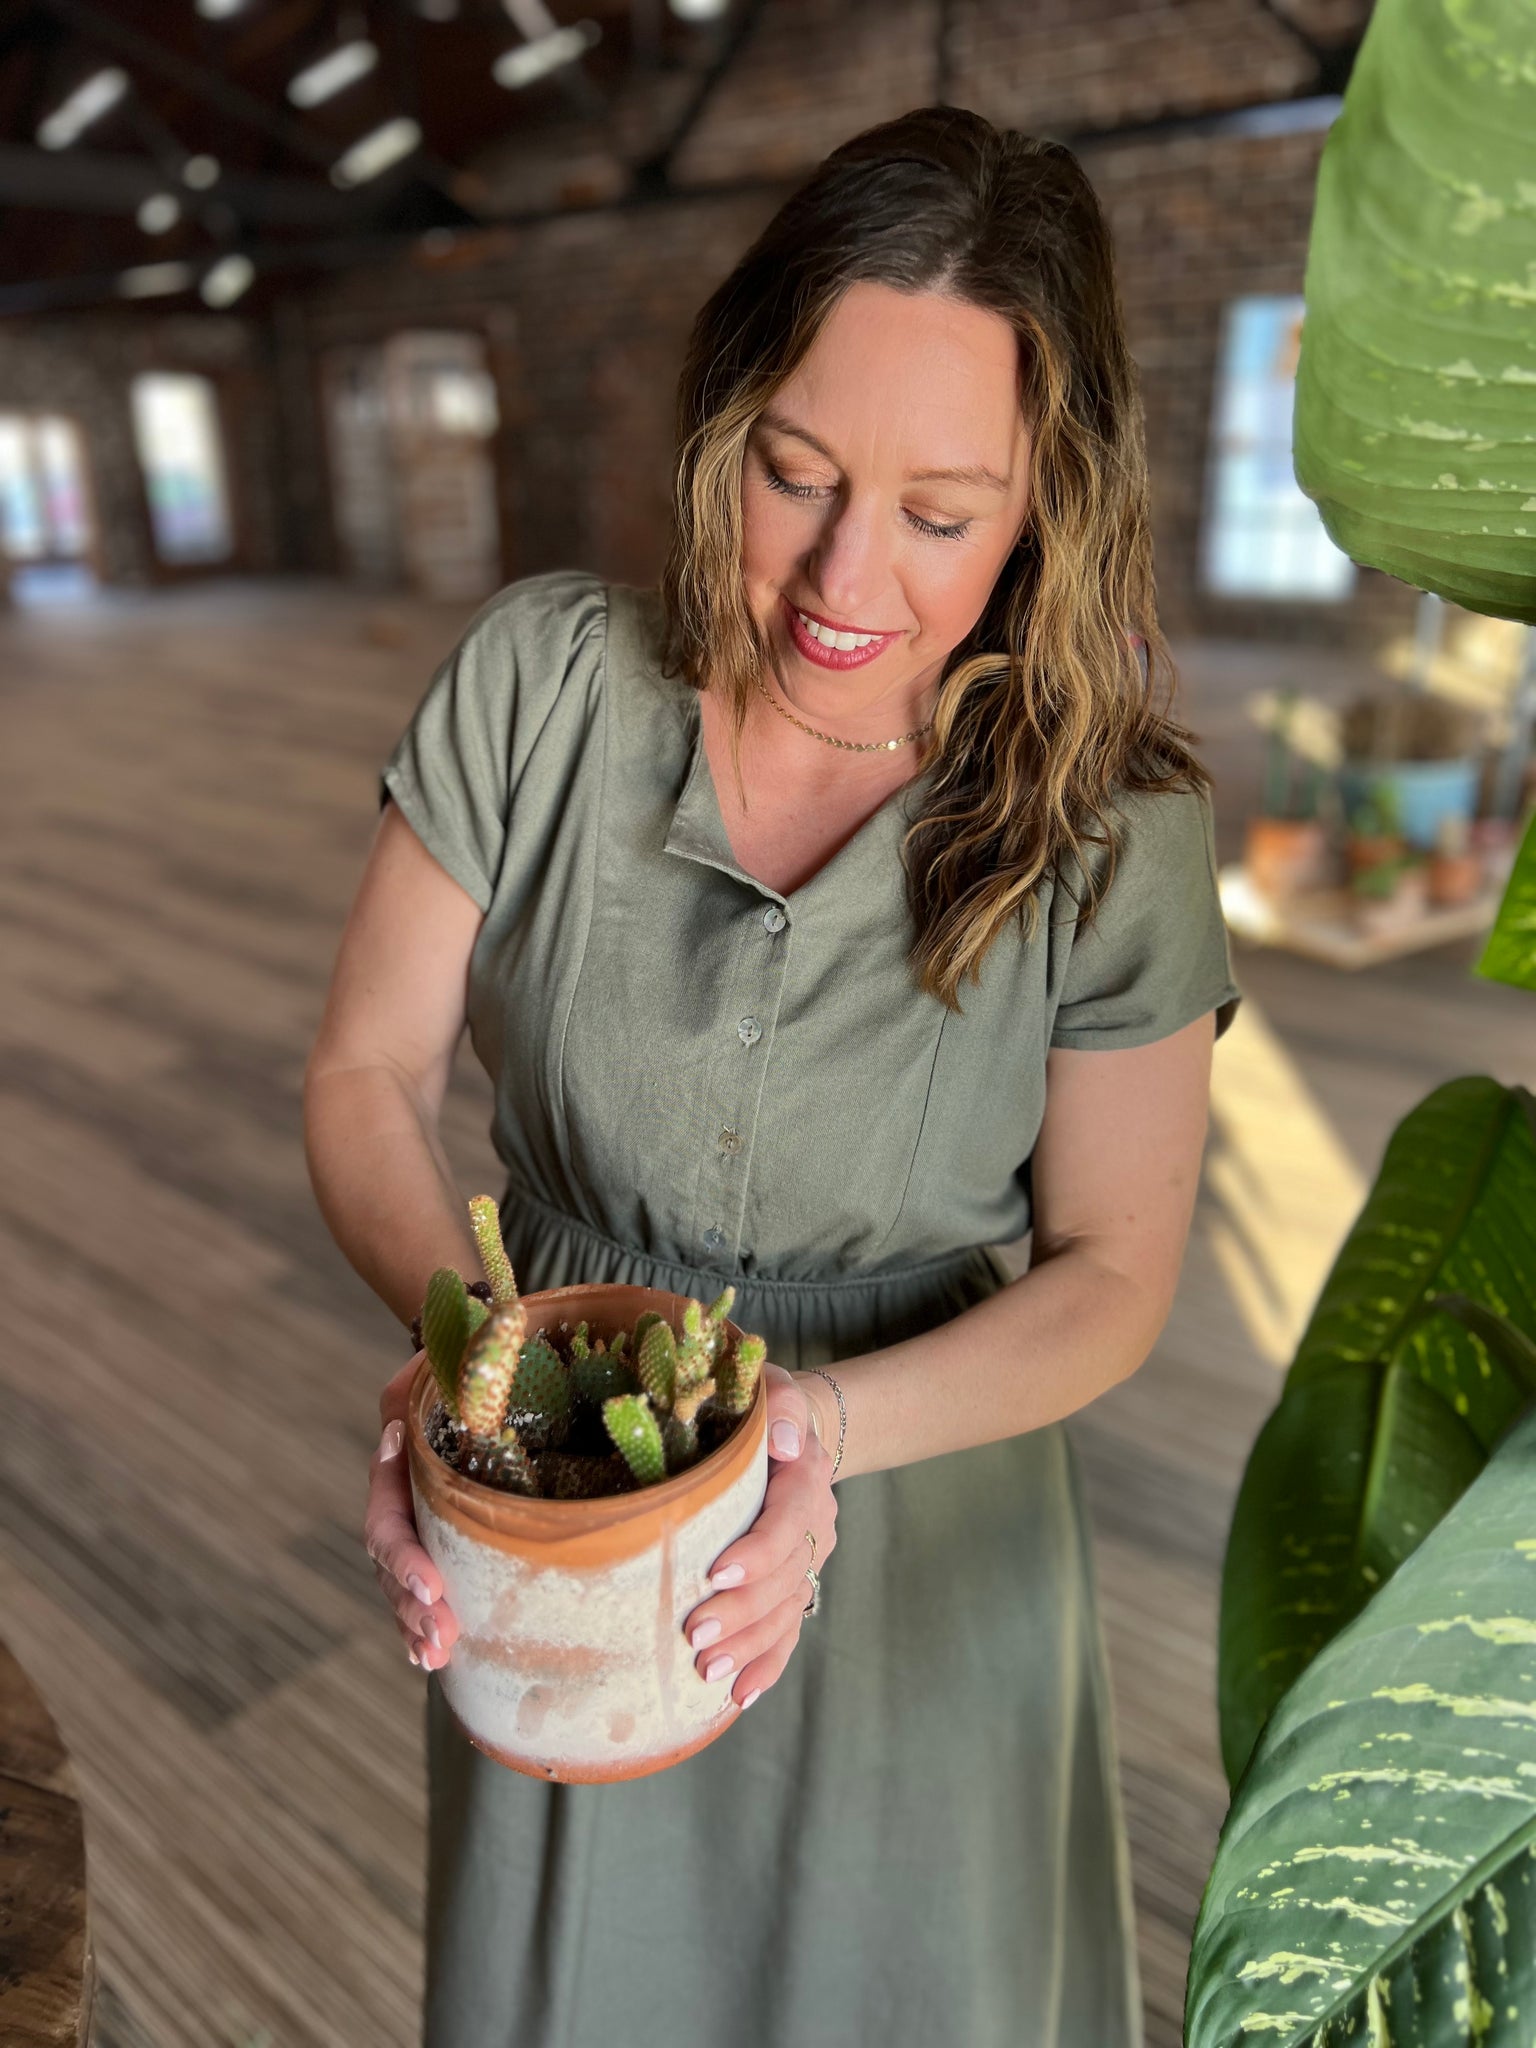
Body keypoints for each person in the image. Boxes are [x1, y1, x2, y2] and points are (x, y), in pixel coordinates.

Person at [304, 103, 1239, 2048]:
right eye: (797, 473)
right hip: (564, 1483)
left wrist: (801, 1432)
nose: (843, 572)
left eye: (941, 513)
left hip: (918, 1503)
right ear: (725, 418)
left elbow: (1115, 1276)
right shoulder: (543, 684)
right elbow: (368, 1072)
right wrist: (475, 1367)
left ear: (1049, 503)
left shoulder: (1115, 828)